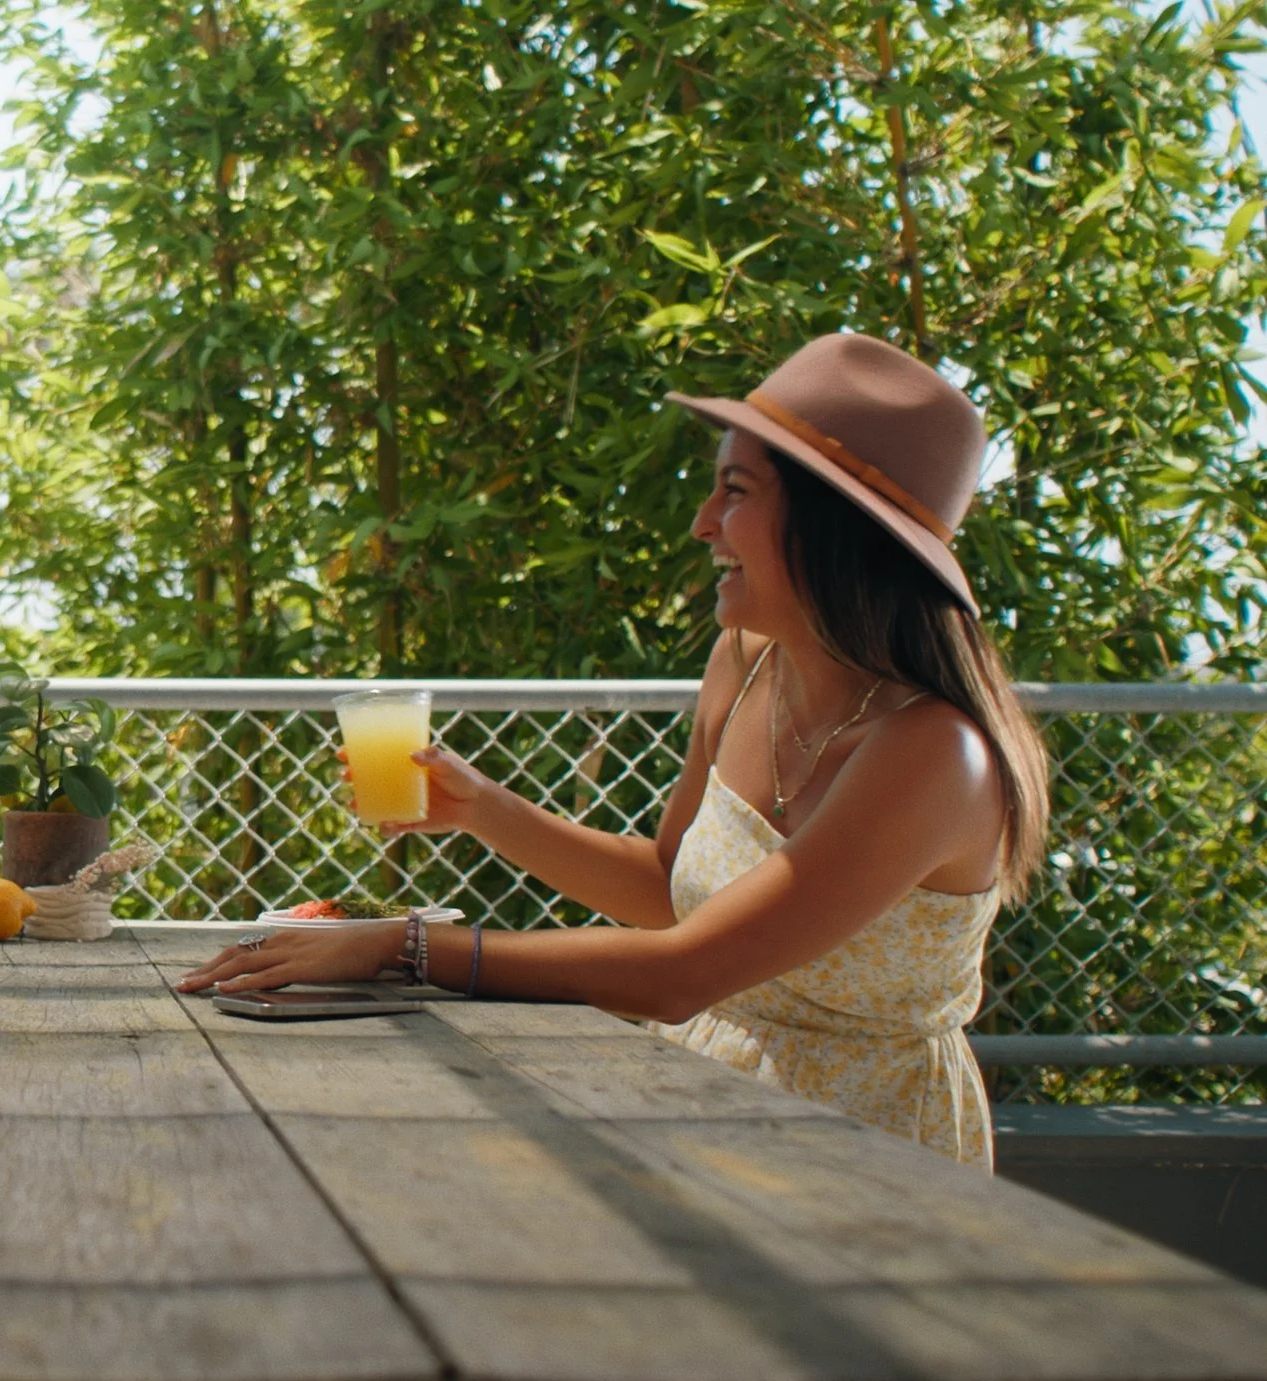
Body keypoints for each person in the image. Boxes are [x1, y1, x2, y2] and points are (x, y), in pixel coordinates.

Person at [179, 332, 1048, 1167]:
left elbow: (686, 970)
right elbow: (673, 892)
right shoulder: (746, 665)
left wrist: (399, 946)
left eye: (737, 492)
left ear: (833, 527)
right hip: (704, 1101)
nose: (705, 524)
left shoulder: (936, 755)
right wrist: (486, 810)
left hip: (871, 1147)